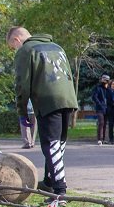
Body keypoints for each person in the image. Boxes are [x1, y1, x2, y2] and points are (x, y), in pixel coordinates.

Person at [7, 27, 78, 197]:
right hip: (68, 99)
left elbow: (22, 84)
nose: (14, 50)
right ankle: (49, 182)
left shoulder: (26, 50)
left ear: (17, 39)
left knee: (51, 146)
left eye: (12, 47)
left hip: (48, 100)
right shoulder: (57, 47)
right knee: (58, 144)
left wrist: (22, 111)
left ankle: (60, 192)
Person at [92, 75, 113, 145]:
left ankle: (104, 139)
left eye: (105, 80)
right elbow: (94, 97)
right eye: (102, 79)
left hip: (107, 109)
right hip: (100, 108)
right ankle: (99, 139)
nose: (103, 81)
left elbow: (111, 98)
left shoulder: (109, 89)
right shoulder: (98, 88)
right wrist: (100, 104)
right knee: (101, 122)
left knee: (105, 124)